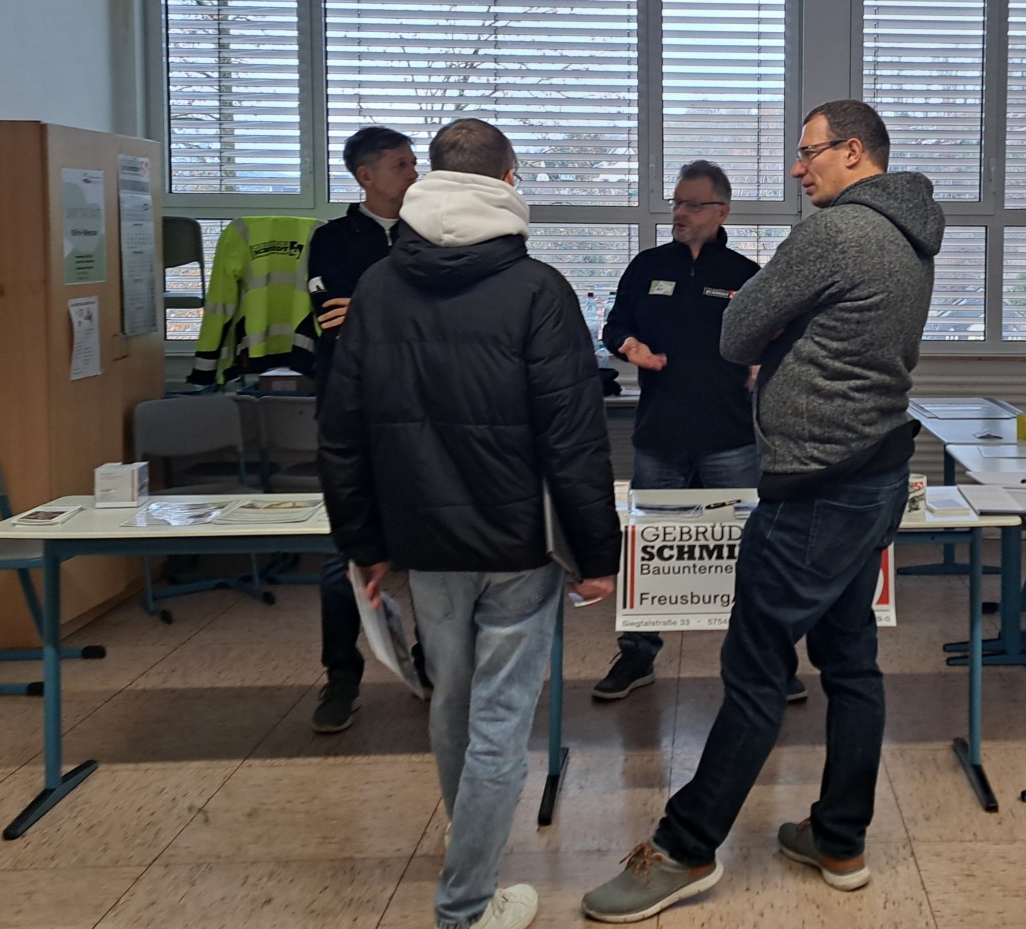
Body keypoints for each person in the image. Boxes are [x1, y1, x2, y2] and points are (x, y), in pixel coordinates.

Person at [581, 99, 944, 920]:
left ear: (853, 152)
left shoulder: (838, 232)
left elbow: (735, 331)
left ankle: (684, 846)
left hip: (817, 487)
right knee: (850, 663)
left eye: (809, 151)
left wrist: (777, 340)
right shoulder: (911, 234)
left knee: (753, 670)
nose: (796, 166)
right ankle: (840, 836)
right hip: (873, 470)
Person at [319, 117, 622, 929]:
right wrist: (599, 553)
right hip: (518, 545)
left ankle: (471, 858)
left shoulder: (379, 287)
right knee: (497, 718)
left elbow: (340, 428)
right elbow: (574, 436)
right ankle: (466, 903)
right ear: (508, 182)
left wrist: (365, 545)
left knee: (451, 702)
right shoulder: (539, 290)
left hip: (424, 543)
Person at [596, 160, 805, 706]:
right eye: (676, 204)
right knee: (647, 552)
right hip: (659, 437)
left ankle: (766, 661)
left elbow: (781, 334)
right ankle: (638, 652)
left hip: (729, 437)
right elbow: (615, 323)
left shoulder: (745, 273)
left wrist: (764, 362)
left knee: (751, 555)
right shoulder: (647, 266)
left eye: (692, 205)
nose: (680, 214)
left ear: (722, 211)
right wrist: (629, 348)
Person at [304, 126, 419, 733]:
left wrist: (379, 312)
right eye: (401, 164)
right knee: (343, 560)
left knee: (432, 551)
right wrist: (405, 314)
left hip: (420, 415)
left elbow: (442, 319)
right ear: (366, 176)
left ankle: (430, 663)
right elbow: (334, 322)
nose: (414, 173)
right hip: (351, 417)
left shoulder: (429, 233)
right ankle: (341, 679)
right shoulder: (332, 240)